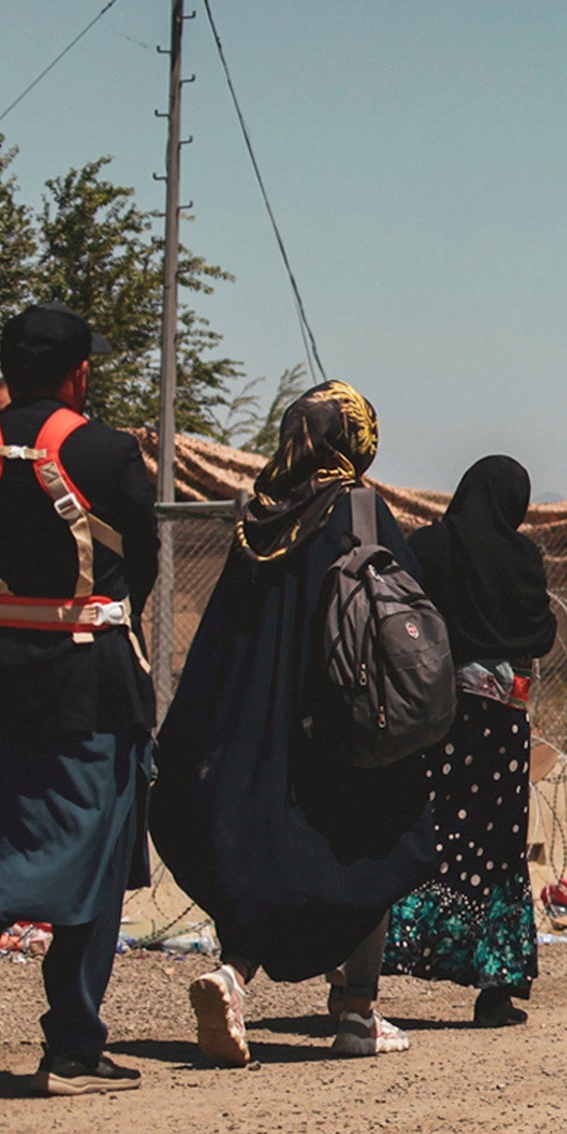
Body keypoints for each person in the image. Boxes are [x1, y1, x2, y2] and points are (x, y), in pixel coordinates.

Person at [153, 383, 436, 1061]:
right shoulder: (359, 508)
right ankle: (358, 1014)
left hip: (257, 728)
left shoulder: (260, 518)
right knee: (377, 844)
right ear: (351, 439)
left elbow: (226, 632)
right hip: (342, 721)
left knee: (268, 856)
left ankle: (233, 975)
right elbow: (403, 602)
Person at [0, 305, 156, 1094]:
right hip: (85, 687)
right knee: (92, 854)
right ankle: (73, 1043)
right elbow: (141, 563)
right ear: (80, 373)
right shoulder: (110, 453)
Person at [381, 456, 558, 1026]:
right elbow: (543, 632)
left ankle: (370, 975)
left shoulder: (433, 546)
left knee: (423, 827)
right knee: (498, 846)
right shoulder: (525, 559)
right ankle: (495, 990)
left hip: (440, 720)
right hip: (504, 728)